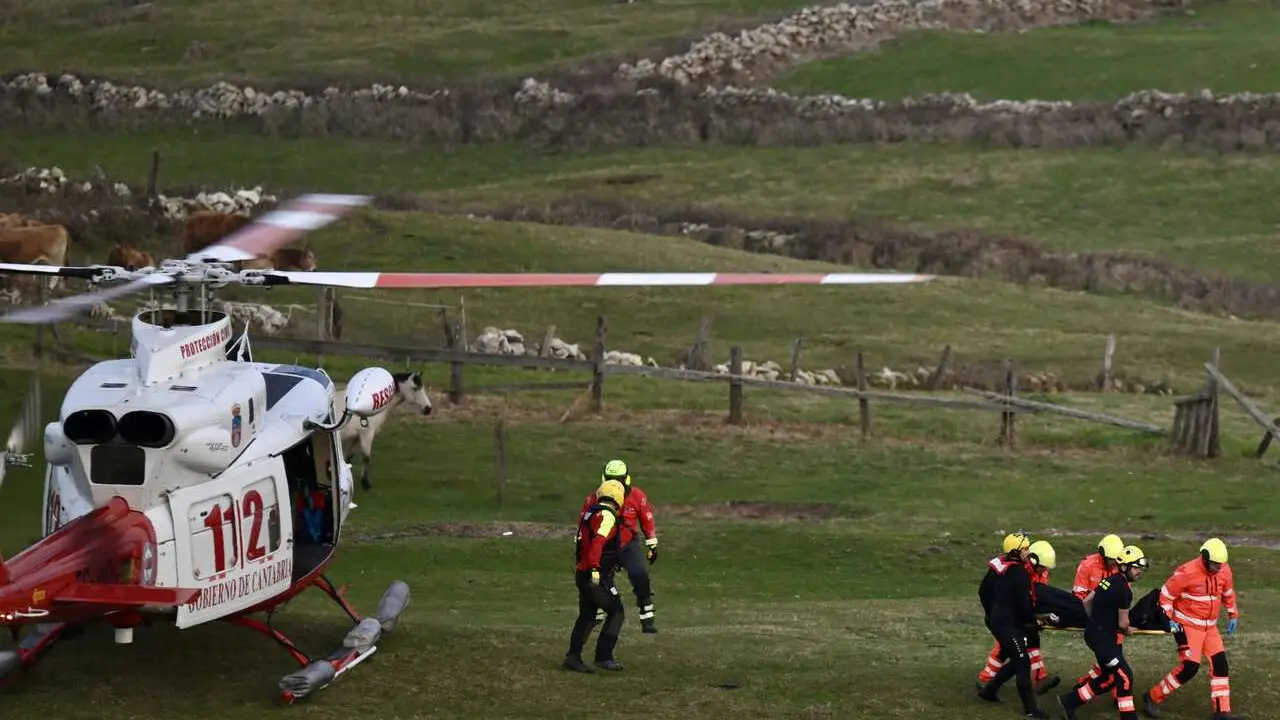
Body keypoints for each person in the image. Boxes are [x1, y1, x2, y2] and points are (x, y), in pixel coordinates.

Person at [1141, 538, 1243, 720]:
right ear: (1204, 558)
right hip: (1187, 626)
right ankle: (1152, 696)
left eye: (1221, 565)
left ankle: (1222, 712)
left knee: (1220, 665)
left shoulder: (1224, 569)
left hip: (1209, 627)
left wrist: (1233, 613)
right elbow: (1165, 596)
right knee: (1189, 668)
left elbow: (1228, 592)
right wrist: (1169, 620)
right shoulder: (1186, 572)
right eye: (1214, 564)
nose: (1218, 568)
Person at [1057, 544, 1149, 720]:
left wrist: (1096, 620)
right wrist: (1127, 629)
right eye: (1136, 567)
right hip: (1104, 640)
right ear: (1124, 566)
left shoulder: (1109, 579)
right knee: (1125, 677)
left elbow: (1087, 602)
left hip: (1094, 634)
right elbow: (1123, 623)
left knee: (1109, 677)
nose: (1139, 572)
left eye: (1141, 568)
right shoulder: (1124, 590)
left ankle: (1070, 701)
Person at [976, 531, 1050, 718]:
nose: (1028, 552)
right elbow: (1024, 605)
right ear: (1017, 552)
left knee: (1017, 658)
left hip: (1000, 620)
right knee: (1023, 663)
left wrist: (992, 611)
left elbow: (983, 591)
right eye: (1025, 549)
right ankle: (1030, 709)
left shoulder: (1001, 566)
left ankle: (989, 691)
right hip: (1007, 624)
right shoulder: (1019, 573)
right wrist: (1034, 620)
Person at [581, 459, 660, 633]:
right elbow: (584, 523)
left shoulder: (637, 496)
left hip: (627, 544)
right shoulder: (593, 498)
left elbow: (647, 519)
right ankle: (598, 611)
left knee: (639, 574)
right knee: (599, 579)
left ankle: (647, 613)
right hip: (605, 545)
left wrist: (652, 544)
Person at [563, 479, 627, 673]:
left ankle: (573, 657)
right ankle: (604, 656)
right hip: (595, 577)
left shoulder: (590, 512)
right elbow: (598, 543)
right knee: (616, 612)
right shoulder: (607, 517)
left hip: (582, 574)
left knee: (587, 615)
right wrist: (595, 569)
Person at [1071, 534, 1126, 698]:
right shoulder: (1088, 565)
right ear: (1102, 554)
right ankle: (1118, 690)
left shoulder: (1120, 566)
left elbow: (1123, 594)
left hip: (1112, 621)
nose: (1114, 563)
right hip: (1095, 620)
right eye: (1111, 559)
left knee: (1114, 656)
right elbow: (1079, 595)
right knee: (1112, 660)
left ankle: (1088, 684)